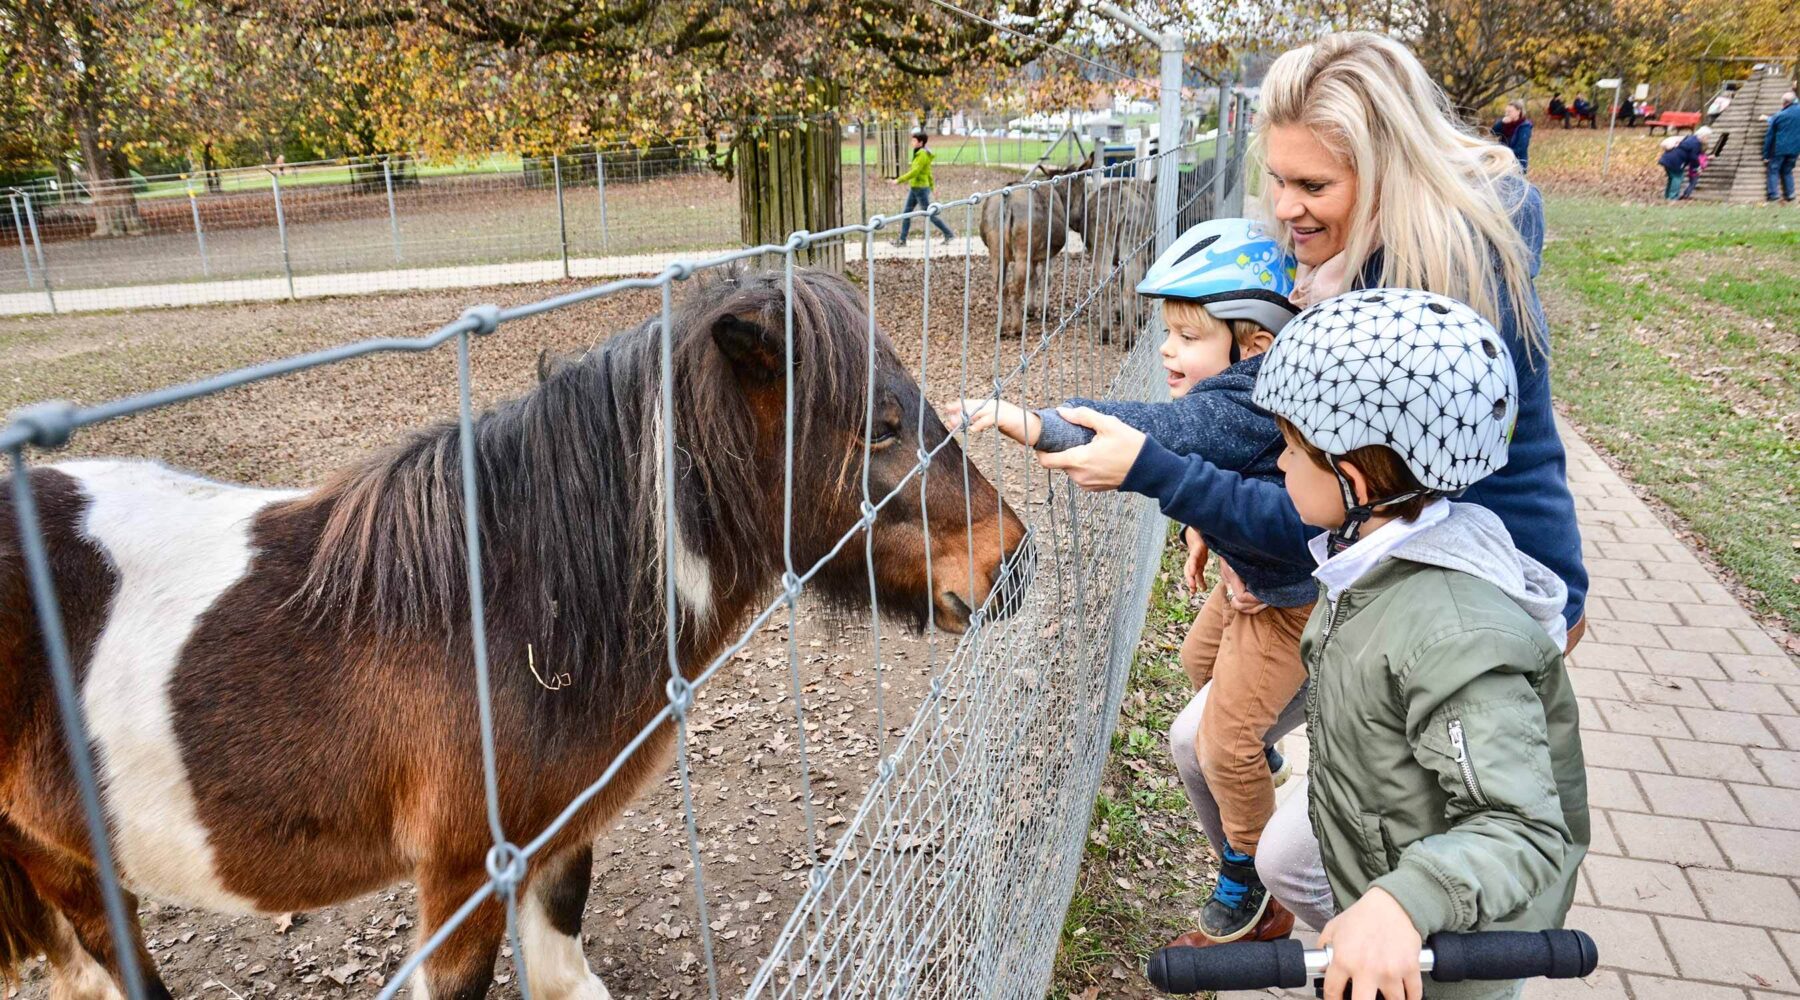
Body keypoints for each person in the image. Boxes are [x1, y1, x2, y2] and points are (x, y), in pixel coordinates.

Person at [1029, 30, 1590, 929]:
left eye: (1313, 186)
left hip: (1472, 585)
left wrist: (1170, 477)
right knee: (1226, 757)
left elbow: (1323, 494)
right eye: (1278, 180)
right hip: (1388, 566)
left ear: (1386, 169)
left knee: (1345, 847)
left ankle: (1383, 941)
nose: (1285, 208)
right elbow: (1307, 460)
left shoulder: (1430, 291)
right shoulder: (1360, 265)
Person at [944, 219, 1314, 944]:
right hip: (1256, 578)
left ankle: (1249, 873)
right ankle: (1259, 768)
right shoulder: (1254, 388)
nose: (1168, 350)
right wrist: (1207, 528)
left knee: (1224, 742)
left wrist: (1034, 422)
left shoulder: (1247, 396)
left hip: (1282, 603)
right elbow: (1234, 467)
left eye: (1189, 337)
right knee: (1196, 664)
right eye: (1167, 333)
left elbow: (1166, 435)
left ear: (1254, 343)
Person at [1251, 287, 1589, 1000]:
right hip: (1391, 901)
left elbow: (1522, 827)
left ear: (1353, 477)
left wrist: (1405, 902)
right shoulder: (1373, 563)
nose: (1280, 466)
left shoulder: (1452, 633)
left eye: (1289, 449)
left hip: (1451, 955)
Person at [891, 130, 954, 246]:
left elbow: (915, 172)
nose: (912, 142)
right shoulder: (919, 152)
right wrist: (932, 187)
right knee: (906, 213)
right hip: (916, 188)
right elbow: (928, 172)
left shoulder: (922, 155)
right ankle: (902, 240)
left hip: (920, 189)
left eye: (914, 140)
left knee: (930, 214)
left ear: (921, 143)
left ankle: (949, 234)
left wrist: (898, 180)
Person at [1764, 91, 1800, 204]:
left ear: (1785, 103)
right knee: (1787, 171)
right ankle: (1790, 194)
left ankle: (1774, 195)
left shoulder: (1780, 115)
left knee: (1773, 170)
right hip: (1795, 149)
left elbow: (1770, 136)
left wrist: (1766, 155)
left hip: (1779, 149)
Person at [1493, 101, 1533, 172]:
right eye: (1506, 111)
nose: (1507, 114)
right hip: (1504, 160)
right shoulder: (1506, 123)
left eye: (1510, 111)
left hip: (1517, 161)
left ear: (1518, 112)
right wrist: (1501, 123)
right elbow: (1494, 133)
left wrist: (1505, 153)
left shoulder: (1524, 126)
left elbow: (1521, 147)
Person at [1658, 134, 1692, 200]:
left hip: (1666, 159)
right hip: (1674, 161)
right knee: (1677, 178)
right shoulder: (1692, 143)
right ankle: (1673, 196)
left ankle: (1667, 195)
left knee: (1672, 178)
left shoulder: (1682, 142)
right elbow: (1693, 156)